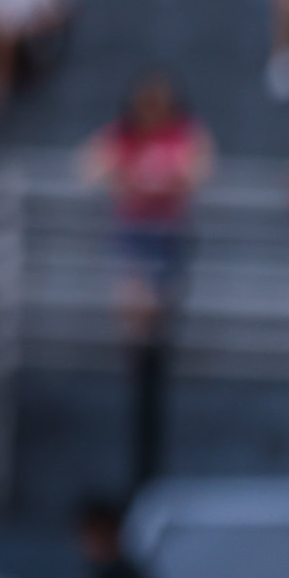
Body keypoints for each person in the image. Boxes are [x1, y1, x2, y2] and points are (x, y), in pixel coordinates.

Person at [79, 73, 213, 487]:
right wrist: (125, 177)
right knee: (133, 298)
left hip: (168, 235)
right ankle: (136, 349)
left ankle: (152, 343)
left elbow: (200, 169)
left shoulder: (184, 134)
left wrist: (164, 180)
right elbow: (86, 168)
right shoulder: (121, 135)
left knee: (158, 300)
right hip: (134, 234)